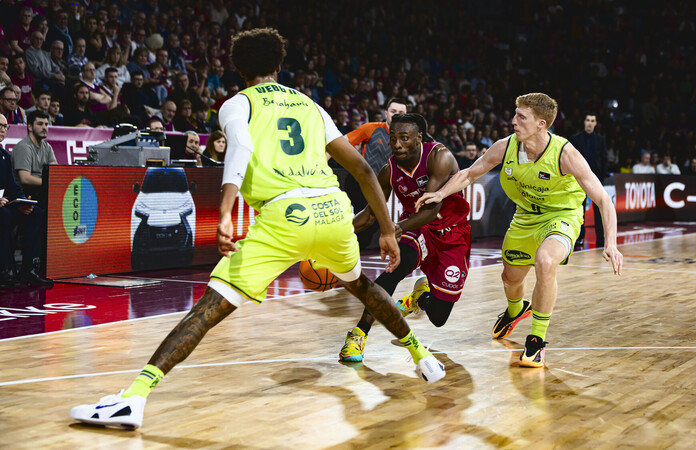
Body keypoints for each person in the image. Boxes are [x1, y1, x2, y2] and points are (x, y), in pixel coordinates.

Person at [70, 28, 444, 431]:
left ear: (239, 69)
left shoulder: (237, 104)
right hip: (333, 209)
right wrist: (387, 229)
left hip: (286, 214)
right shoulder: (309, 104)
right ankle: (422, 356)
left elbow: (241, 150)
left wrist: (227, 210)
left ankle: (133, 399)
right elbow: (364, 168)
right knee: (361, 286)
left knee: (209, 308)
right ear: (279, 67)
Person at [416, 93, 623, 368]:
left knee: (545, 262)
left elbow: (603, 199)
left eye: (521, 117)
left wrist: (611, 243)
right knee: (510, 278)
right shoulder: (505, 147)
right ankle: (516, 310)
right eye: (515, 114)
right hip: (525, 217)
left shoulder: (565, 154)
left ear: (541, 123)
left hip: (561, 217)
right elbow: (469, 173)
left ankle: (536, 340)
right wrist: (440, 194)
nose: (513, 121)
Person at [339, 113, 472, 362]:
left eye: (404, 138)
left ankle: (421, 296)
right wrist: (337, 232)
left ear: (418, 138)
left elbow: (431, 209)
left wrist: (395, 228)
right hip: (415, 228)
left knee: (439, 318)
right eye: (393, 139)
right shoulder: (388, 170)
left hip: (451, 234)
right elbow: (368, 216)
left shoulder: (438, 157)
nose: (397, 144)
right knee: (394, 268)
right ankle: (358, 334)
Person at [342, 97, 407, 247]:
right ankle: (342, 242)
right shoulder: (370, 128)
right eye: (393, 111)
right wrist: (321, 162)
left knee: (374, 223)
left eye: (401, 112)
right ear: (386, 113)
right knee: (369, 218)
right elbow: (341, 142)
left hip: (381, 187)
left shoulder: (407, 138)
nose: (396, 115)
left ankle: (347, 243)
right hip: (359, 181)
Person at [0, 113, 48, 286]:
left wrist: (22, 201)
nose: (2, 129)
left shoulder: (4, 156)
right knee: (3, 214)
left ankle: (28, 268)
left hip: (5, 203)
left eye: (5, 126)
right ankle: (3, 269)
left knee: (35, 213)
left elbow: (13, 187)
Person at [571, 113, 607, 248]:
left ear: (596, 123)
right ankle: (579, 237)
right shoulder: (576, 139)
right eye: (587, 120)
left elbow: (604, 158)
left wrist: (602, 176)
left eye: (592, 120)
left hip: (596, 179)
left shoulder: (601, 140)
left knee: (599, 209)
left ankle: (601, 238)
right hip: (579, 179)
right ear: (584, 122)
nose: (590, 123)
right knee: (579, 210)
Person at [11, 110, 57, 203]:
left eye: (46, 124)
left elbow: (55, 171)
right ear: (30, 127)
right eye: (40, 124)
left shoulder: (47, 147)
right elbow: (25, 178)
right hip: (24, 194)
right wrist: (49, 183)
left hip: (41, 191)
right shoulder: (23, 147)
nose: (44, 127)